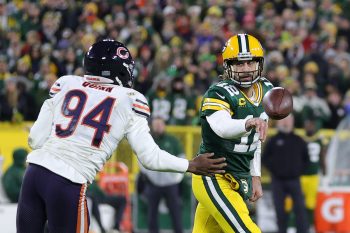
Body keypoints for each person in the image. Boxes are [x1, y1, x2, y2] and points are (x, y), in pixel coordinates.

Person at [16, 39, 227, 233]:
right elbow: (150, 158)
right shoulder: (129, 99)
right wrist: (190, 165)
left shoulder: (66, 83)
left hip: (34, 174)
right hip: (69, 182)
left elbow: (35, 139)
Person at [192, 34, 273, 233]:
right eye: (238, 64)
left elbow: (257, 139)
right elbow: (221, 127)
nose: (245, 69)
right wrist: (248, 122)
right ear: (228, 66)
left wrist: (256, 176)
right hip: (214, 176)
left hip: (239, 176)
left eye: (249, 62)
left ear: (259, 63)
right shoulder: (218, 91)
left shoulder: (267, 89)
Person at [262, 114, 310, 233]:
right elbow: (265, 158)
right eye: (283, 120)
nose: (286, 123)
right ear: (278, 123)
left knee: (300, 209)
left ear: (293, 122)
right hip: (278, 181)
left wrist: (298, 171)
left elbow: (307, 159)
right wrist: (275, 170)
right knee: (280, 210)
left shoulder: (299, 140)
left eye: (288, 120)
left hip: (295, 180)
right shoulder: (273, 140)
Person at [139, 117, 185, 233]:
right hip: (153, 183)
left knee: (175, 212)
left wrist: (177, 178)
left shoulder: (173, 140)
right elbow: (141, 159)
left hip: (171, 184)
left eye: (160, 124)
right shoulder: (148, 141)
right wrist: (150, 175)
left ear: (164, 125)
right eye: (156, 124)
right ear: (152, 126)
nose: (158, 126)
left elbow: (182, 158)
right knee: (152, 213)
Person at [301, 116, 326, 230]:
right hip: (300, 175)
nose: (309, 127)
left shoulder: (319, 140)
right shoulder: (301, 139)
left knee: (311, 204)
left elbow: (323, 158)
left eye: (311, 125)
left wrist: (325, 171)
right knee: (298, 203)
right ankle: (299, 226)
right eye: (307, 124)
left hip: (313, 176)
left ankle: (309, 226)